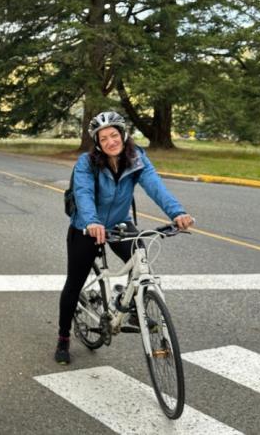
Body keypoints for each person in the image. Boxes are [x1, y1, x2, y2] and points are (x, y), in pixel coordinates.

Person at [55, 111, 194, 365]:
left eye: (114, 135)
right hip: (86, 227)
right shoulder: (86, 163)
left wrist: (178, 212)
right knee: (74, 284)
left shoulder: (137, 158)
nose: (110, 141)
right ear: (97, 143)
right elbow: (83, 193)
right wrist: (92, 221)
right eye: (104, 137)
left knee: (140, 259)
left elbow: (155, 186)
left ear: (123, 134)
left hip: (119, 223)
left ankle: (131, 309)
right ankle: (63, 336)